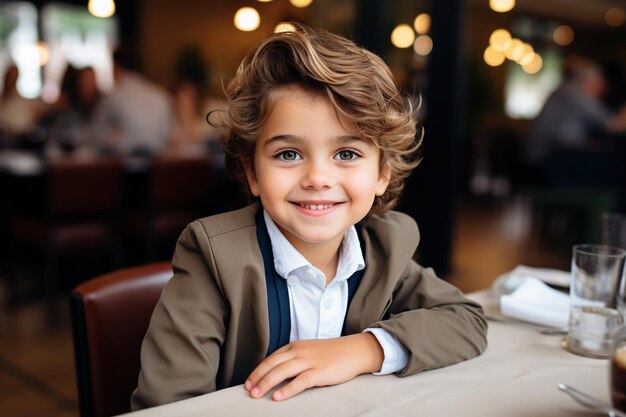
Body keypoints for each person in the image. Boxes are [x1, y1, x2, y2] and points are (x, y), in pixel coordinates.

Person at [131, 25, 487, 410]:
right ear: (252, 172)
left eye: (347, 154)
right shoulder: (213, 260)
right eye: (288, 154)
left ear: (382, 173)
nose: (318, 178)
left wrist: (362, 350)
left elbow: (466, 321)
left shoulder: (386, 245)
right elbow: (167, 405)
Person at [526, 58, 626, 169]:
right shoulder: (574, 93)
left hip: (556, 154)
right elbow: (613, 124)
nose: (601, 92)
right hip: (547, 159)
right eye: (600, 86)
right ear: (590, 82)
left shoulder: (567, 90)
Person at [91, 48, 173, 156]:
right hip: (160, 166)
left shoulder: (112, 97)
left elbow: (95, 135)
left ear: (117, 68)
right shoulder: (161, 95)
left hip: (121, 164)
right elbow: (168, 135)